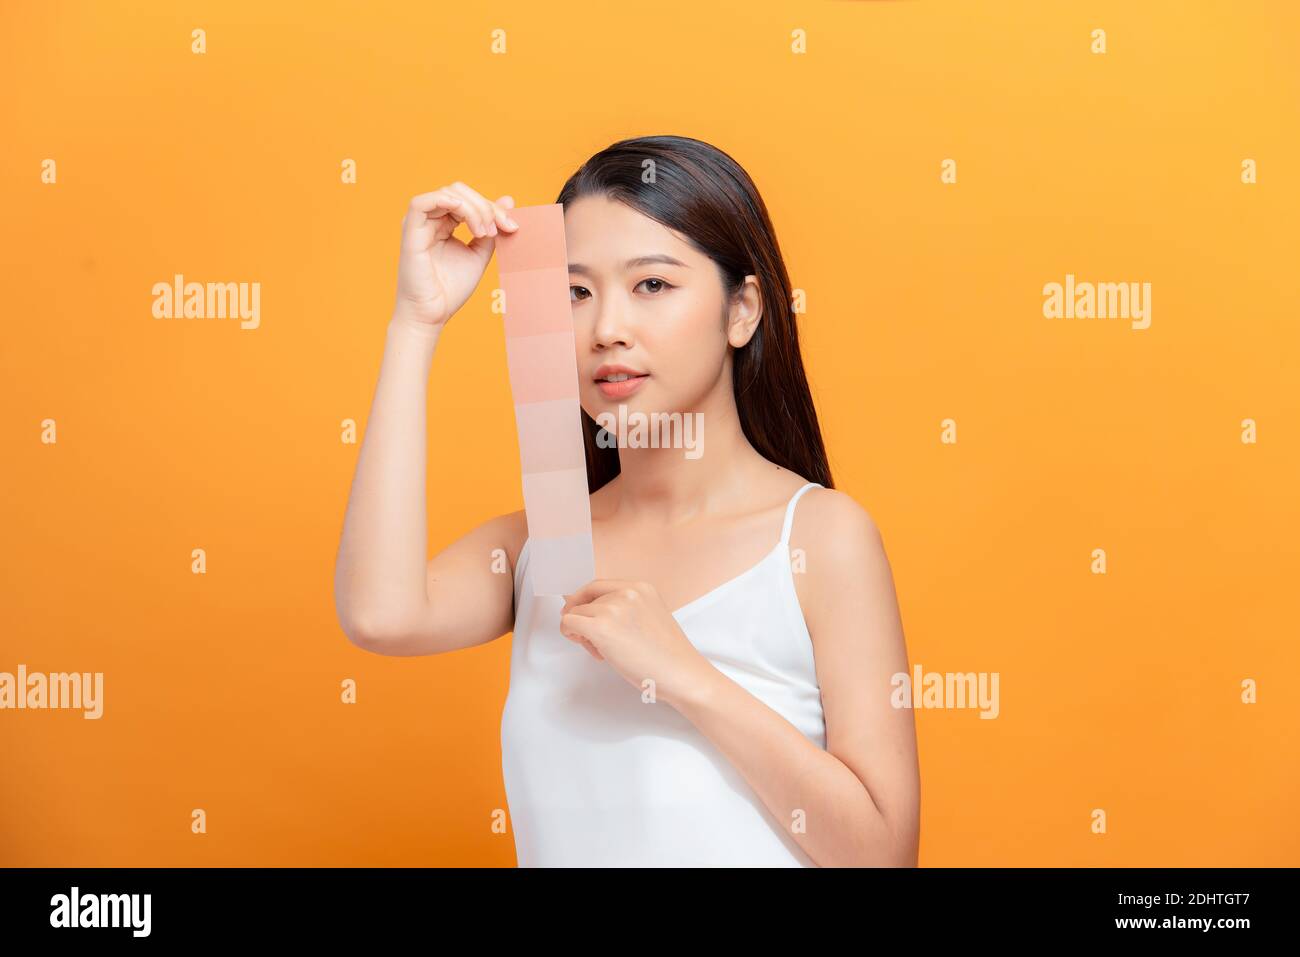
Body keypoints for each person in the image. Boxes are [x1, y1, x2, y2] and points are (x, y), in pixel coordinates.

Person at [334, 134, 919, 867]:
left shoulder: (820, 539)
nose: (606, 329)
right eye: (575, 293)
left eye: (652, 285)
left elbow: (883, 856)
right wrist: (415, 324)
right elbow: (379, 613)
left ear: (742, 311)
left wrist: (685, 676)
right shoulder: (542, 546)